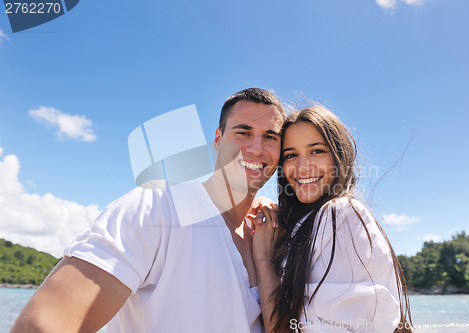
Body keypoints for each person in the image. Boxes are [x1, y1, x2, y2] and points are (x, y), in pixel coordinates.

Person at [11, 88, 286, 333]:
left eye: (270, 137)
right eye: (243, 132)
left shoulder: (275, 233)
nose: (256, 148)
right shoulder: (158, 206)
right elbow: (41, 325)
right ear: (218, 139)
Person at [251, 106, 412, 332]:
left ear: (339, 156)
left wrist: (263, 259)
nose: (303, 167)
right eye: (291, 155)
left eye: (316, 151)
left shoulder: (340, 214)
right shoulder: (314, 222)